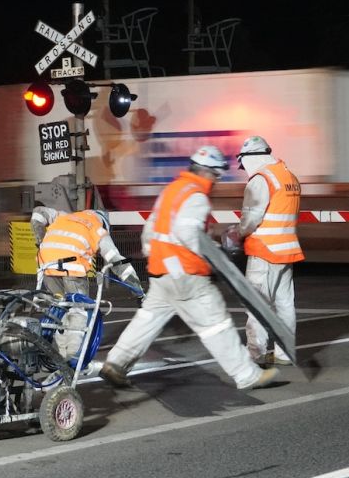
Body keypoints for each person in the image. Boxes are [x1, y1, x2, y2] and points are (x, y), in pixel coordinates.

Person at [99, 145, 279, 390]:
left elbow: (151, 229)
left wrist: (156, 256)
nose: (216, 181)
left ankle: (115, 364)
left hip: (161, 271)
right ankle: (247, 375)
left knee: (147, 320)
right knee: (216, 323)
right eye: (216, 176)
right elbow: (187, 232)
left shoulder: (172, 190)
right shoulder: (196, 196)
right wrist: (213, 257)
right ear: (207, 172)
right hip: (186, 273)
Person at [232, 135, 304, 366]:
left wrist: (237, 233)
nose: (244, 170)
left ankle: (255, 355)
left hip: (264, 251)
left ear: (251, 158)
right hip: (286, 250)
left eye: (243, 164)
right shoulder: (289, 176)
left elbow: (251, 217)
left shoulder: (261, 180)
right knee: (284, 304)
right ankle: (284, 353)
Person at [34, 206, 142, 298]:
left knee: (58, 305)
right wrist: (138, 290)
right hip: (71, 266)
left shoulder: (65, 216)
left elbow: (38, 212)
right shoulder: (98, 229)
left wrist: (40, 240)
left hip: (46, 264)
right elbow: (117, 261)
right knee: (79, 310)